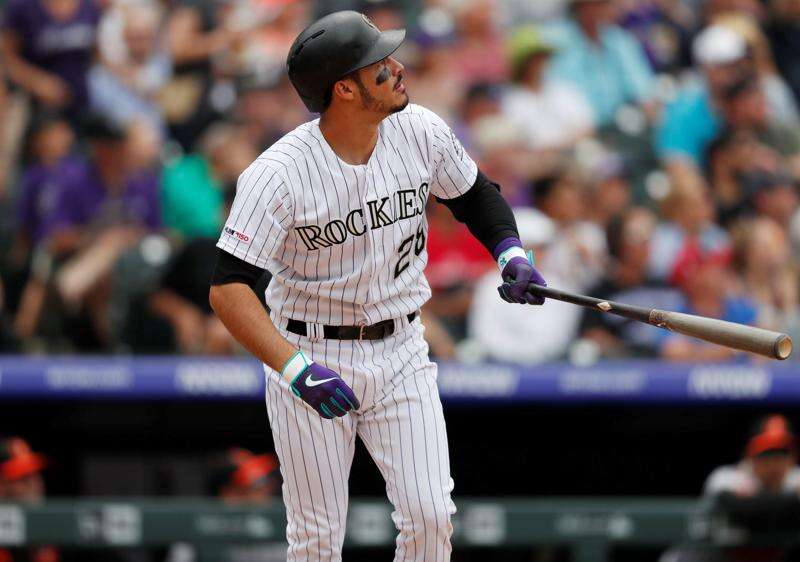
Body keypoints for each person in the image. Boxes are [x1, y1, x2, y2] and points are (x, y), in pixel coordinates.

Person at [208, 11, 547, 562]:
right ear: (344, 89)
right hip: (310, 350)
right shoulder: (277, 174)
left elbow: (475, 196)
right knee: (317, 539)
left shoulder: (419, 129)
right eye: (379, 66)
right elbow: (229, 289)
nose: (397, 68)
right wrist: (294, 369)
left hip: (401, 349)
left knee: (431, 516)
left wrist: (508, 250)